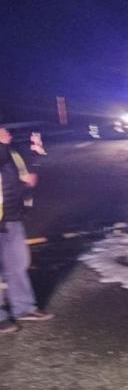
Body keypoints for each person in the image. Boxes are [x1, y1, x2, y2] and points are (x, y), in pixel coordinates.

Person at [0, 128, 52, 335]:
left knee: (18, 264)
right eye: (3, 130)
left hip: (12, 216)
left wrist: (27, 181)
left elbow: (14, 179)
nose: (7, 132)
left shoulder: (10, 151)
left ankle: (24, 308)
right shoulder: (4, 149)